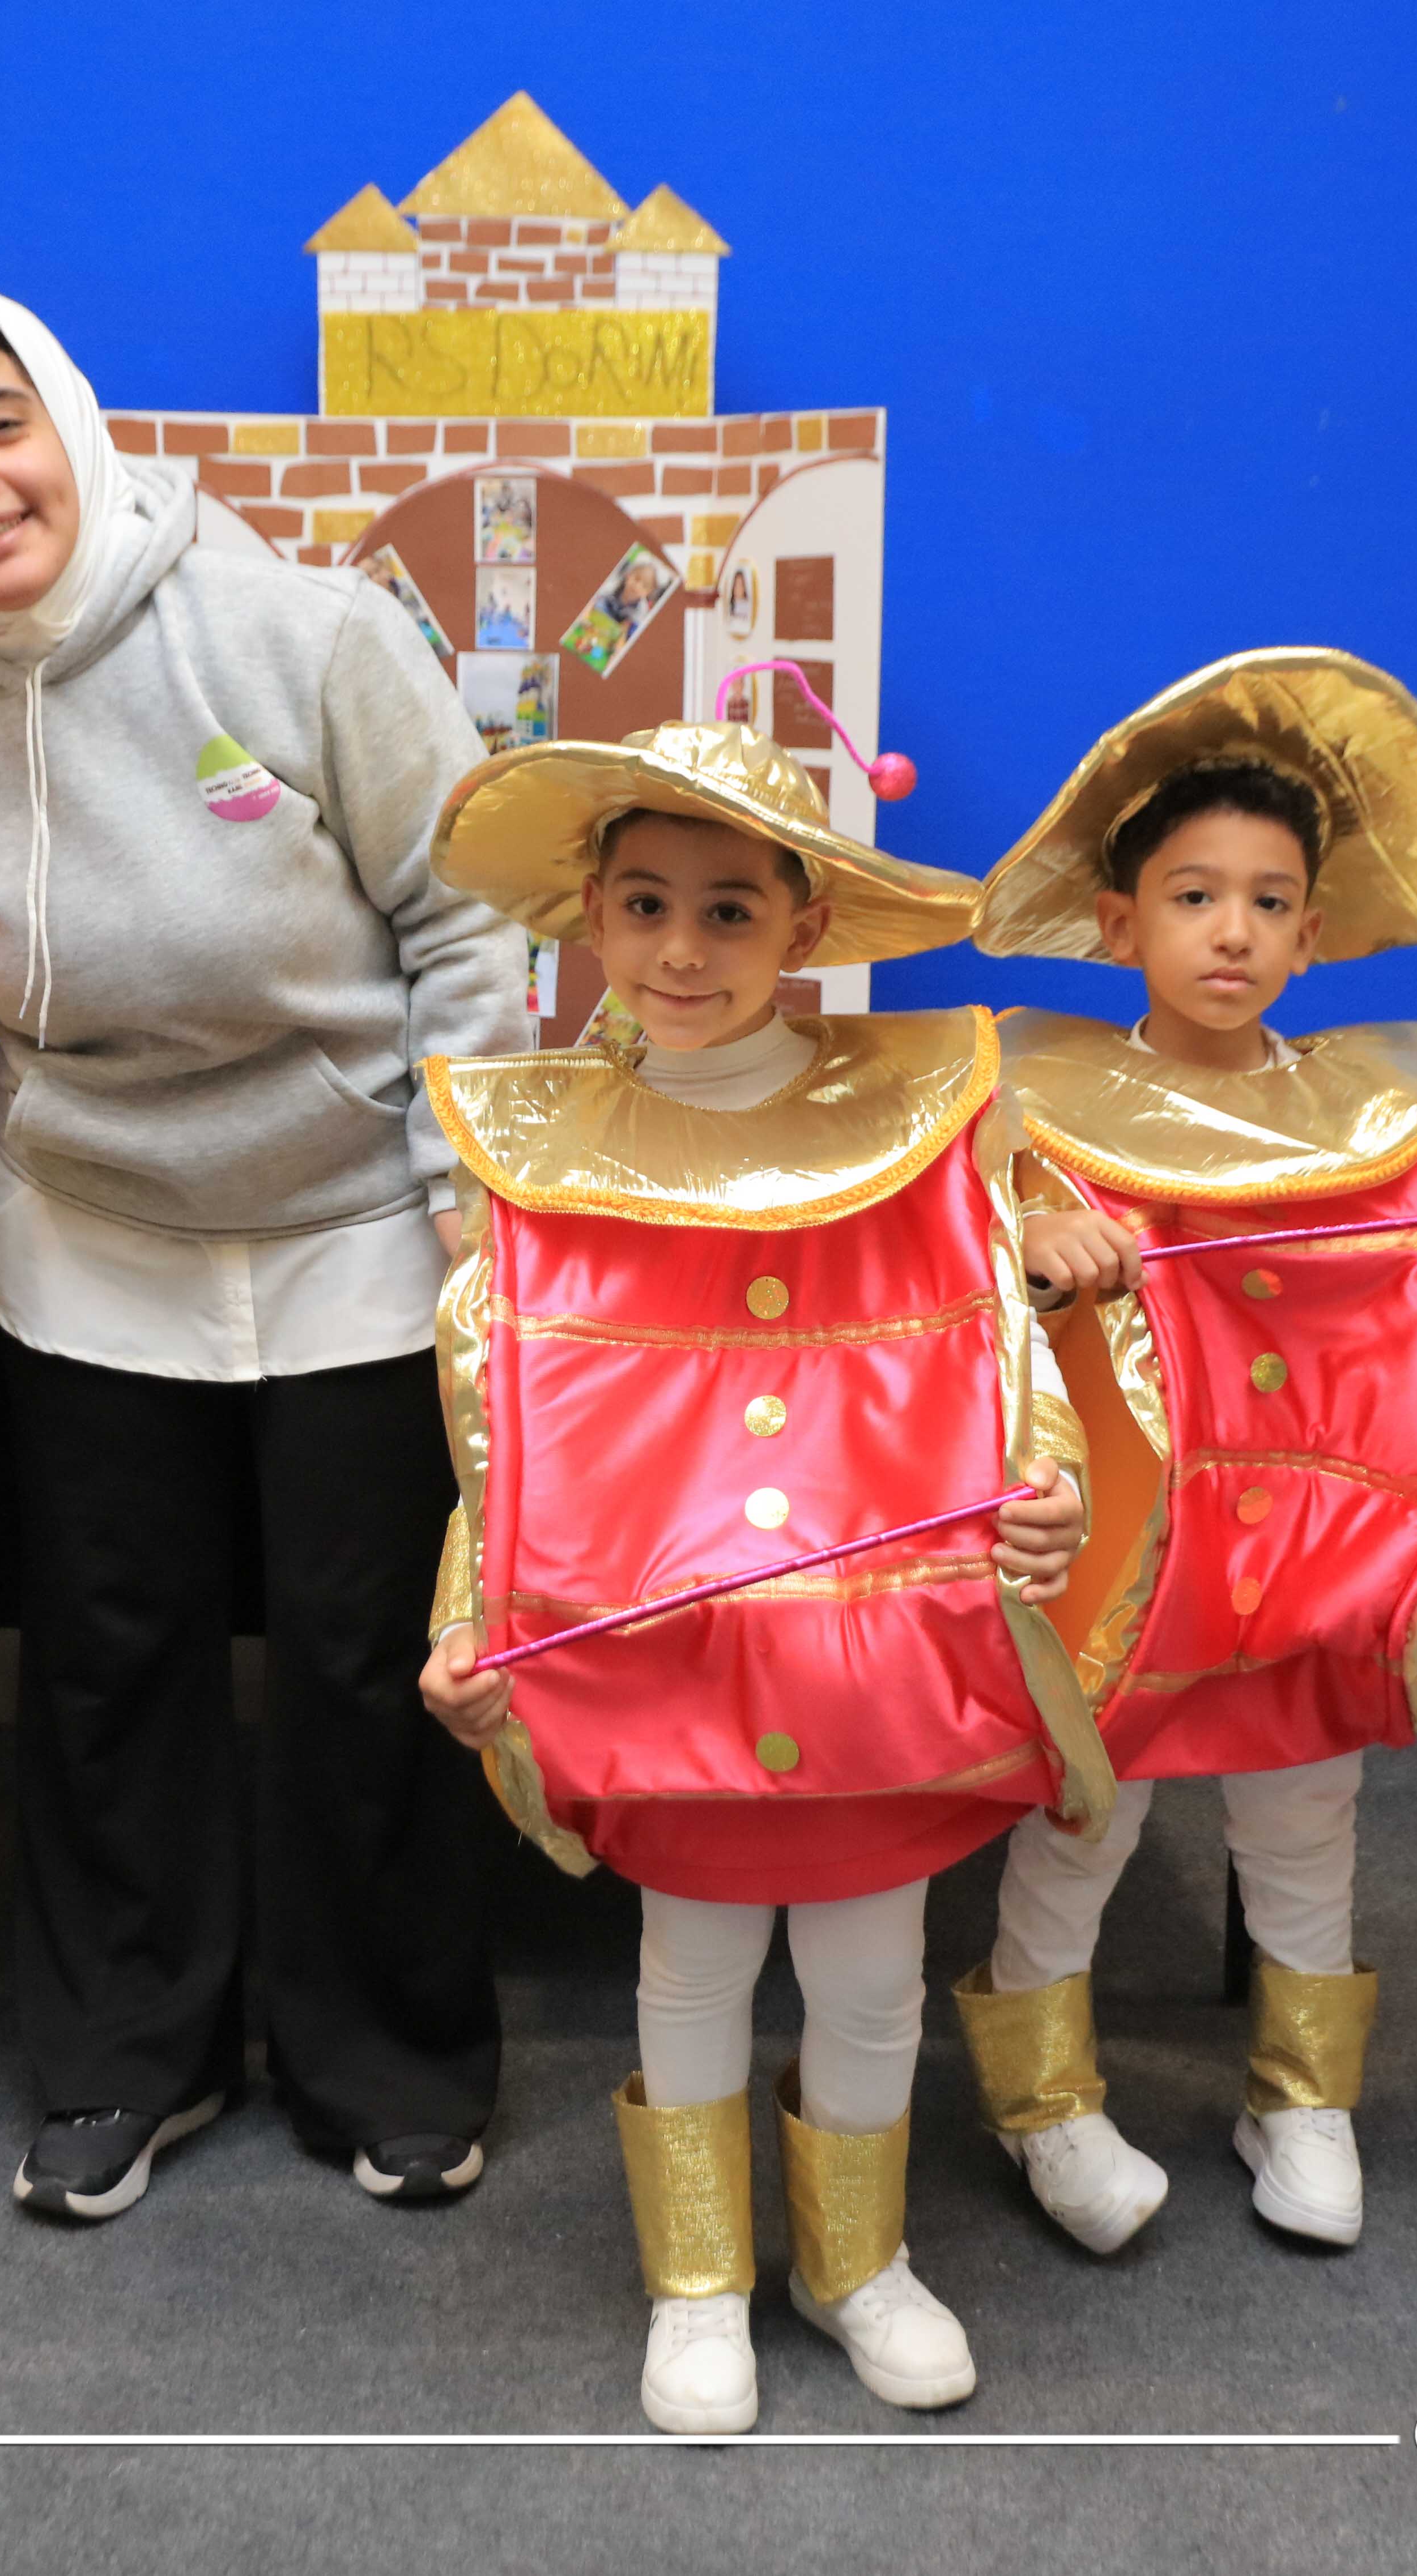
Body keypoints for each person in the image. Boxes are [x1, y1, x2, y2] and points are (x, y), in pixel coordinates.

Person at [0, 285, 524, 2216]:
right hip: (95, 1227)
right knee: (110, 1651)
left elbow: (467, 919)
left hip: (359, 1217)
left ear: (73, 419)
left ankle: (389, 2055)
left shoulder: (311, 632)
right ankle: (128, 2049)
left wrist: (468, 1192)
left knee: (364, 1651)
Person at [414, 719, 1112, 2433]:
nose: (680, 948)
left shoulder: (927, 1115)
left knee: (872, 1971)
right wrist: (463, 1624)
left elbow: (1001, 1360)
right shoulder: (542, 1151)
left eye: (730, 911)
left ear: (805, 927)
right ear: (590, 915)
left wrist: (1052, 1498)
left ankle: (856, 2264)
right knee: (694, 1964)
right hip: (674, 1673)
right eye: (645, 904)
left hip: (877, 1664)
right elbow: (505, 1436)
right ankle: (701, 2280)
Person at [959, 652, 1417, 2253]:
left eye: (1268, 900)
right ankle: (1041, 2100)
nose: (1231, 931)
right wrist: (1033, 1244)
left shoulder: (1376, 1116)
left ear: (1314, 933)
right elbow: (954, 1299)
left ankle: (1303, 2096)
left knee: (1303, 1818)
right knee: (1084, 1815)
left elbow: (1392, 1296)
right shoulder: (1041, 1104)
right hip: (1130, 1543)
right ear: (1122, 924)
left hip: (1308, 1547)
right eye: (1194, 896)